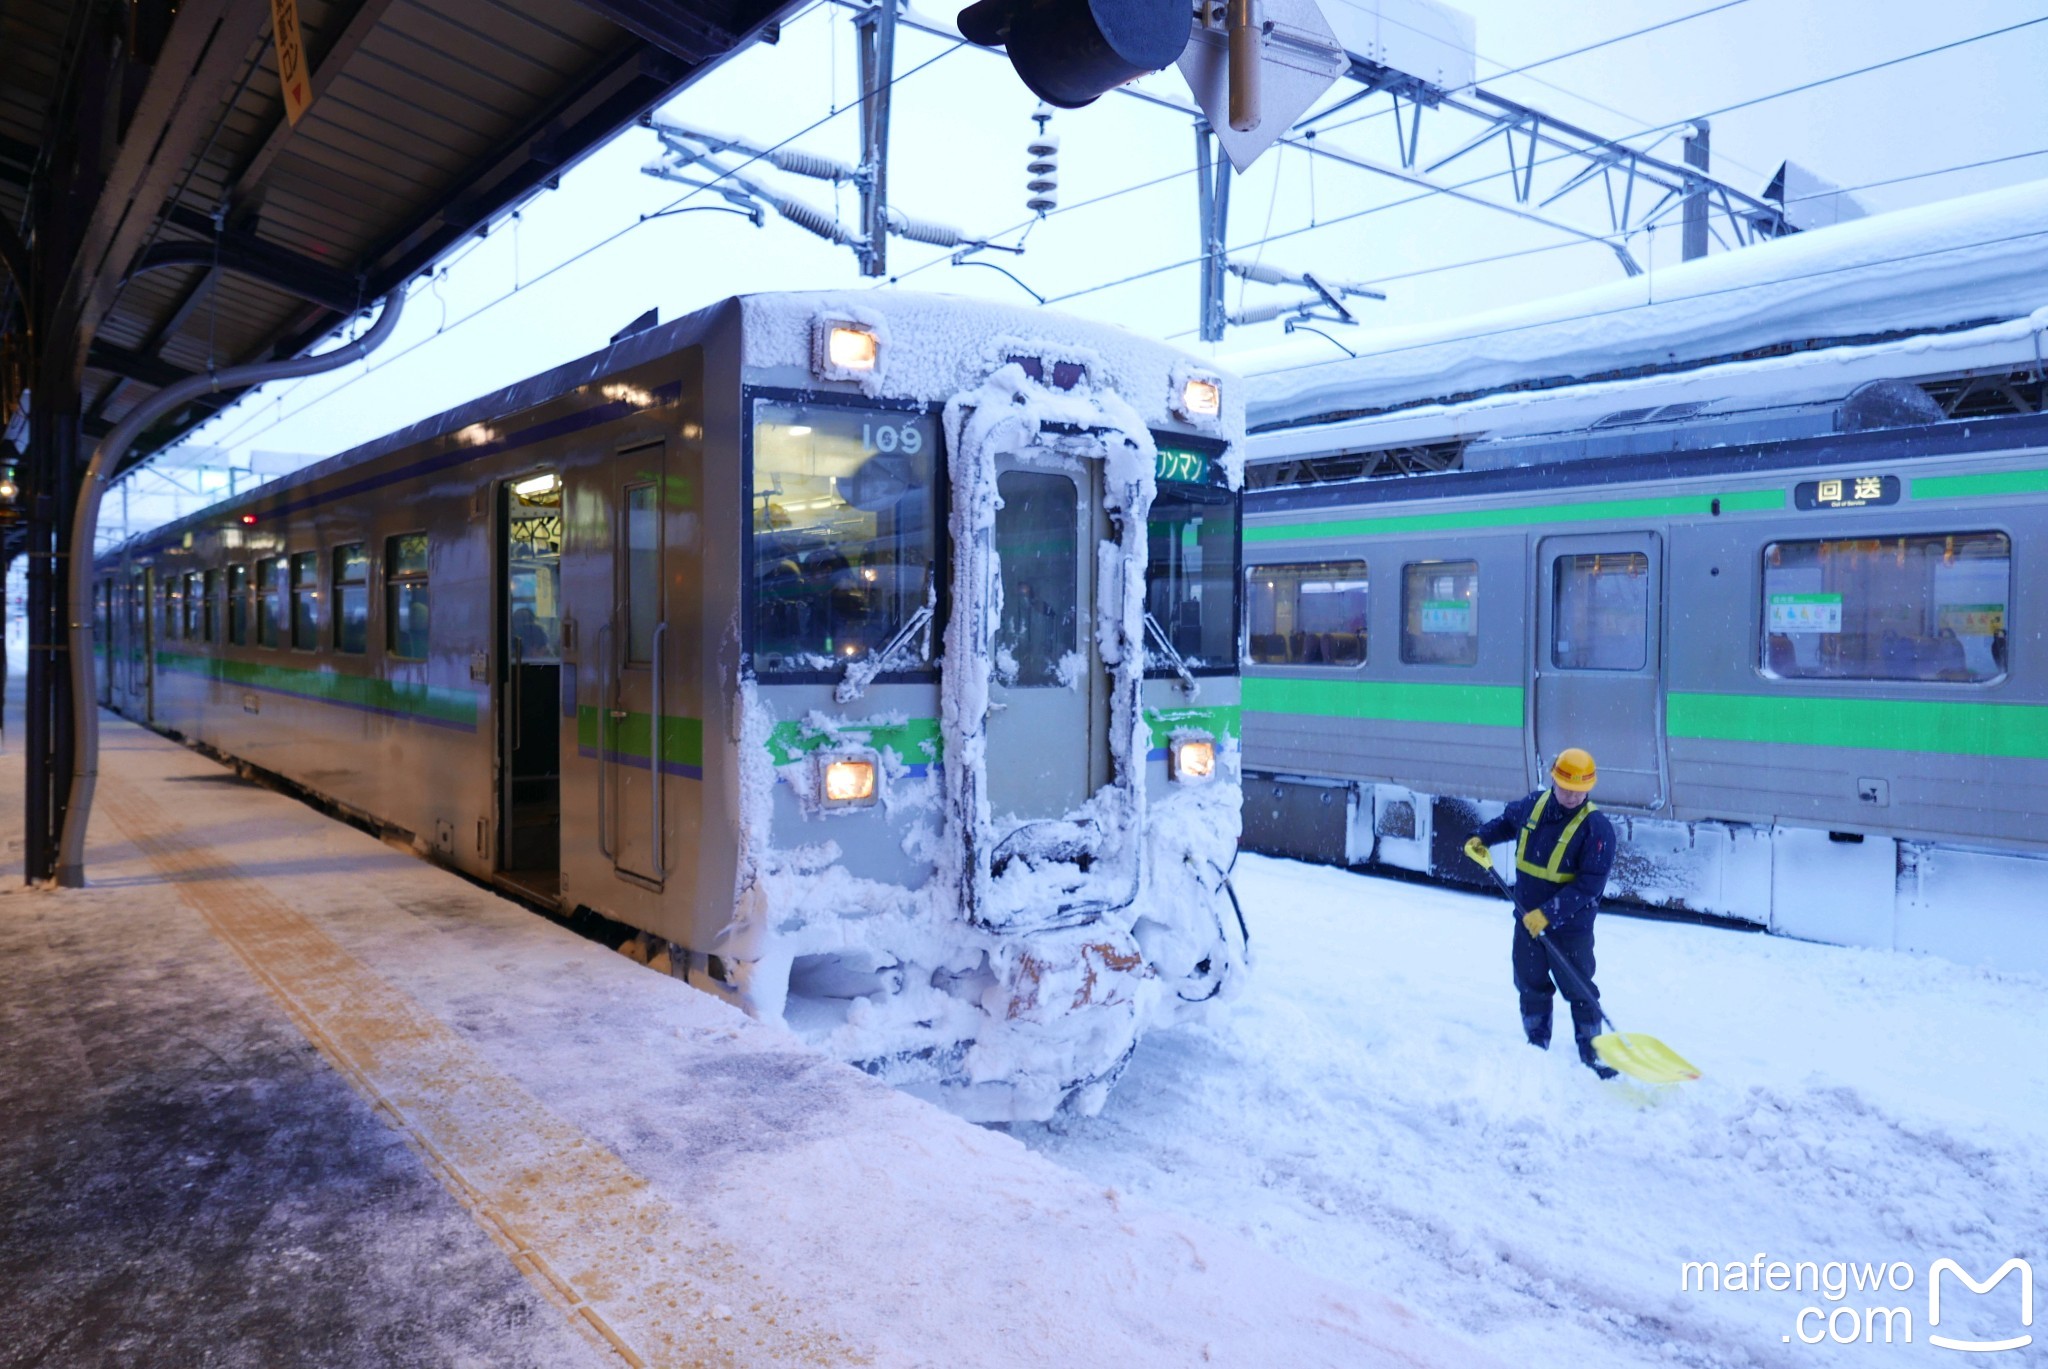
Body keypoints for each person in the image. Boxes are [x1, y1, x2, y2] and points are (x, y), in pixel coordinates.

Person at [1464, 747, 1620, 1078]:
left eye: (1579, 791)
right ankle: (1536, 1044)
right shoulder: (1532, 805)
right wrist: (1480, 839)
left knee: (1579, 988)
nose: (1571, 796)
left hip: (1571, 928)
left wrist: (1549, 913)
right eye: (1565, 788)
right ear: (1554, 780)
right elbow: (1506, 823)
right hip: (1527, 921)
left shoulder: (1597, 829)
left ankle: (1591, 1054)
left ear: (1589, 788)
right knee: (1529, 982)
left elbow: (1589, 886)